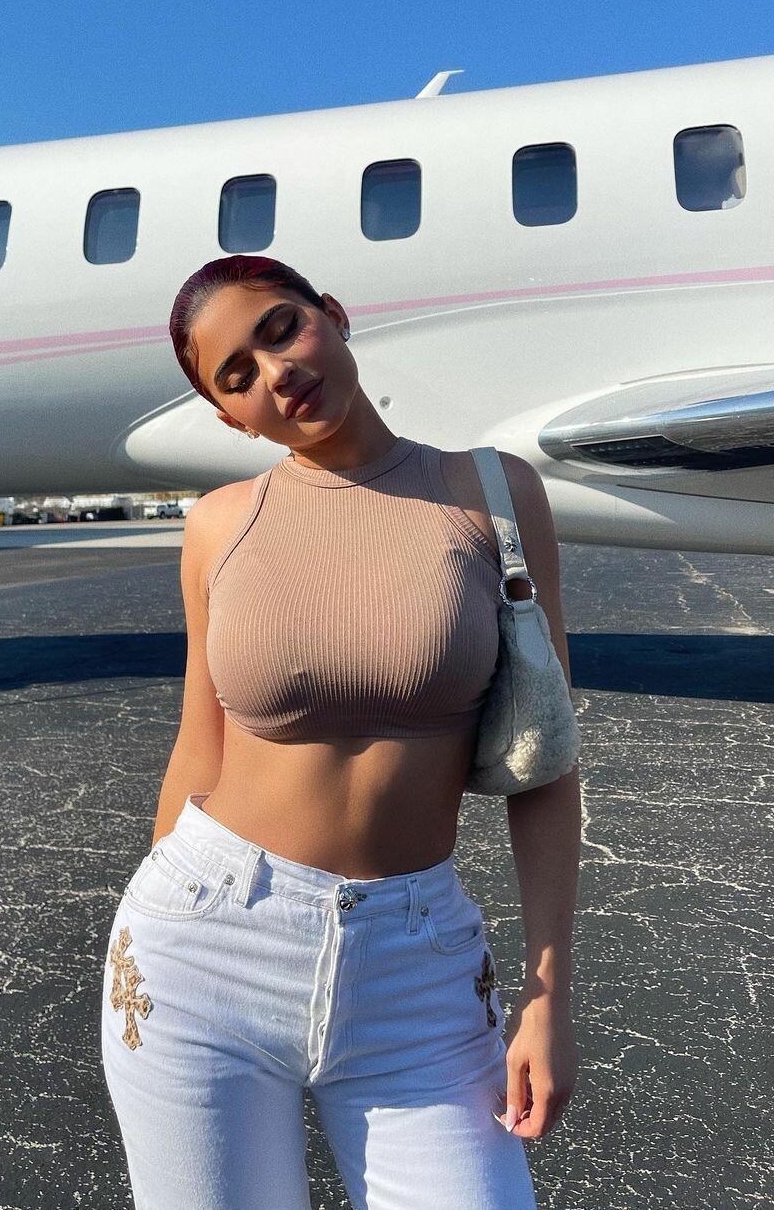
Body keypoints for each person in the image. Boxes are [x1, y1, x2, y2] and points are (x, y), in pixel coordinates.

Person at [100, 254, 581, 1209]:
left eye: (281, 328)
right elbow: (200, 746)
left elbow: (548, 761)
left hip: (418, 966)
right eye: (237, 375)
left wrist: (548, 998)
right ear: (232, 418)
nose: (276, 372)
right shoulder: (218, 525)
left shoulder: (493, 494)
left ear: (332, 312)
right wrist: (156, 917)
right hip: (202, 947)